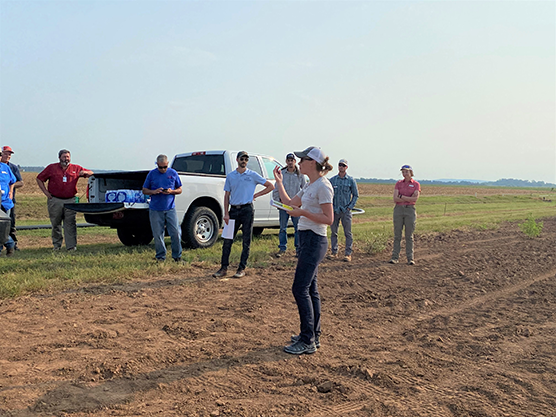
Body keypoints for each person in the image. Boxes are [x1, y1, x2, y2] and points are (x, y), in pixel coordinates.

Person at [273, 146, 334, 355]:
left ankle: (308, 339)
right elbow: (289, 203)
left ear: (312, 163)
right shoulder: (310, 185)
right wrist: (279, 183)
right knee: (310, 290)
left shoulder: (323, 187)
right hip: (307, 239)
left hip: (315, 240)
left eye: (302, 159)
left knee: (300, 289)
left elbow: (329, 219)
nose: (298, 162)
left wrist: (304, 213)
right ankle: (312, 335)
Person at [213, 151, 274, 278]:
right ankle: (223, 268)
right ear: (237, 159)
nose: (244, 161)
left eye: (246, 159)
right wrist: (226, 213)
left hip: (247, 210)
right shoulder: (231, 176)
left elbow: (270, 186)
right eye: (242, 158)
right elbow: (226, 195)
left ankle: (241, 268)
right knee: (227, 241)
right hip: (234, 210)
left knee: (246, 240)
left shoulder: (252, 175)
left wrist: (256, 195)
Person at [36, 149, 93, 251]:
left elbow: (91, 173)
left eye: (68, 157)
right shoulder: (51, 168)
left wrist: (85, 172)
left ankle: (71, 246)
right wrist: (45, 192)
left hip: (70, 200)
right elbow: (39, 178)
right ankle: (57, 245)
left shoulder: (76, 168)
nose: (66, 159)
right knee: (56, 223)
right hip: (55, 200)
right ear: (59, 158)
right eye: (64, 157)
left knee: (70, 223)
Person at [142, 154, 183, 262]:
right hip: (155, 209)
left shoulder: (173, 173)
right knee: (158, 234)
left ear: (167, 164)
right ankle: (160, 257)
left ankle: (177, 256)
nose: (163, 169)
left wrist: (171, 191)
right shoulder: (152, 174)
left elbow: (180, 189)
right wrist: (154, 192)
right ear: (157, 165)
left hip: (170, 208)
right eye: (160, 167)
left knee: (175, 233)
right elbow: (144, 190)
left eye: (165, 167)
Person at [272, 153, 306, 258]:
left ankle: (298, 249)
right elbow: (276, 188)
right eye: (289, 160)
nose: (290, 162)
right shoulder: (282, 173)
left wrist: (301, 203)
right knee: (283, 228)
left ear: (295, 161)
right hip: (284, 206)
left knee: (297, 228)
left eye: (292, 160)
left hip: (296, 206)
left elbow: (305, 189)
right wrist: (278, 202)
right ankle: (282, 248)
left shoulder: (300, 174)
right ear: (286, 161)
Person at [328, 158, 359, 262]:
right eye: (340, 165)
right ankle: (334, 252)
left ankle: (348, 254)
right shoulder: (332, 180)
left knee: (348, 233)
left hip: (346, 211)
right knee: (333, 232)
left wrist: (350, 206)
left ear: (346, 167)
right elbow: (328, 194)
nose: (341, 167)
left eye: (343, 165)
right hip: (334, 210)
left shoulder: (351, 180)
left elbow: (355, 195)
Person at [389, 164, 421, 265]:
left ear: (411, 172)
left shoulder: (416, 184)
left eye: (406, 171)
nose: (404, 173)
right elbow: (395, 198)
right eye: (403, 171)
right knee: (397, 235)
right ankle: (395, 257)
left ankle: (410, 258)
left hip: (410, 210)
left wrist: (402, 196)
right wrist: (408, 198)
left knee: (409, 236)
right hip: (398, 209)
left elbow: (415, 199)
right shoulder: (398, 183)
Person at [1, 146, 24, 250]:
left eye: (9, 154)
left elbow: (18, 181)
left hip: (7, 200)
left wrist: (11, 189)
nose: (7, 156)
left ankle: (12, 244)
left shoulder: (10, 167)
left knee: (9, 224)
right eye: (5, 153)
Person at [0, 158, 17, 257]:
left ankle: (9, 245)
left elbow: (13, 181)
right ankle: (10, 244)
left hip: (5, 203)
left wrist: (11, 192)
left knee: (3, 228)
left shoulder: (5, 167)